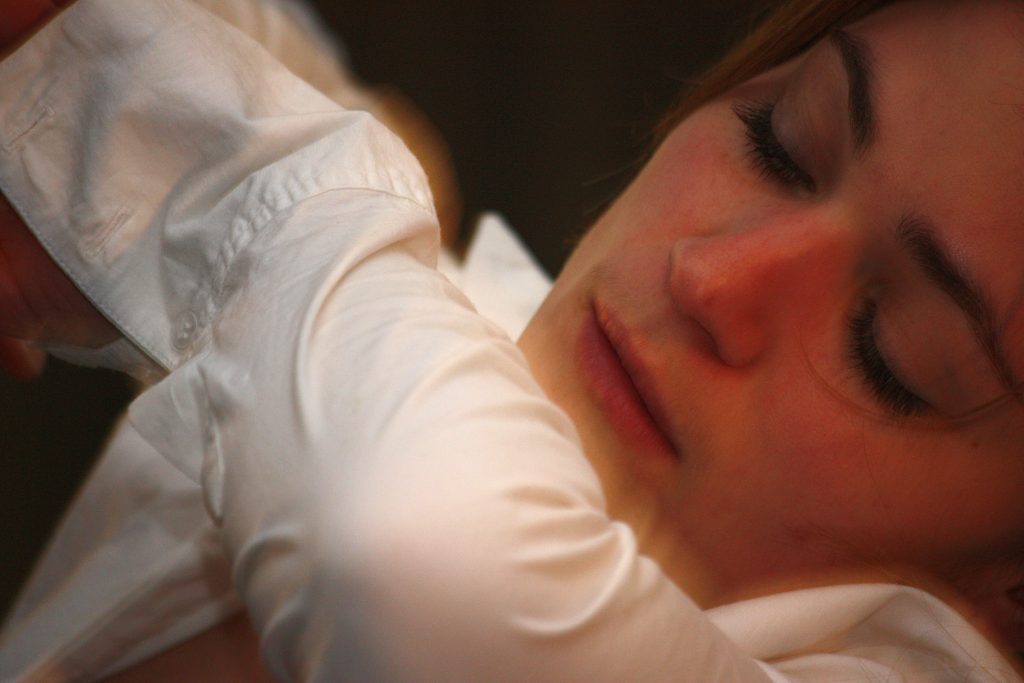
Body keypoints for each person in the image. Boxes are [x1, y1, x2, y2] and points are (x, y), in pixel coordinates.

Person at [0, 0, 1022, 681]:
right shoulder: (432, 332)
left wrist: (146, 146)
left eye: (891, 351)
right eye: (780, 142)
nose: (709, 278)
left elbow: (418, 554)